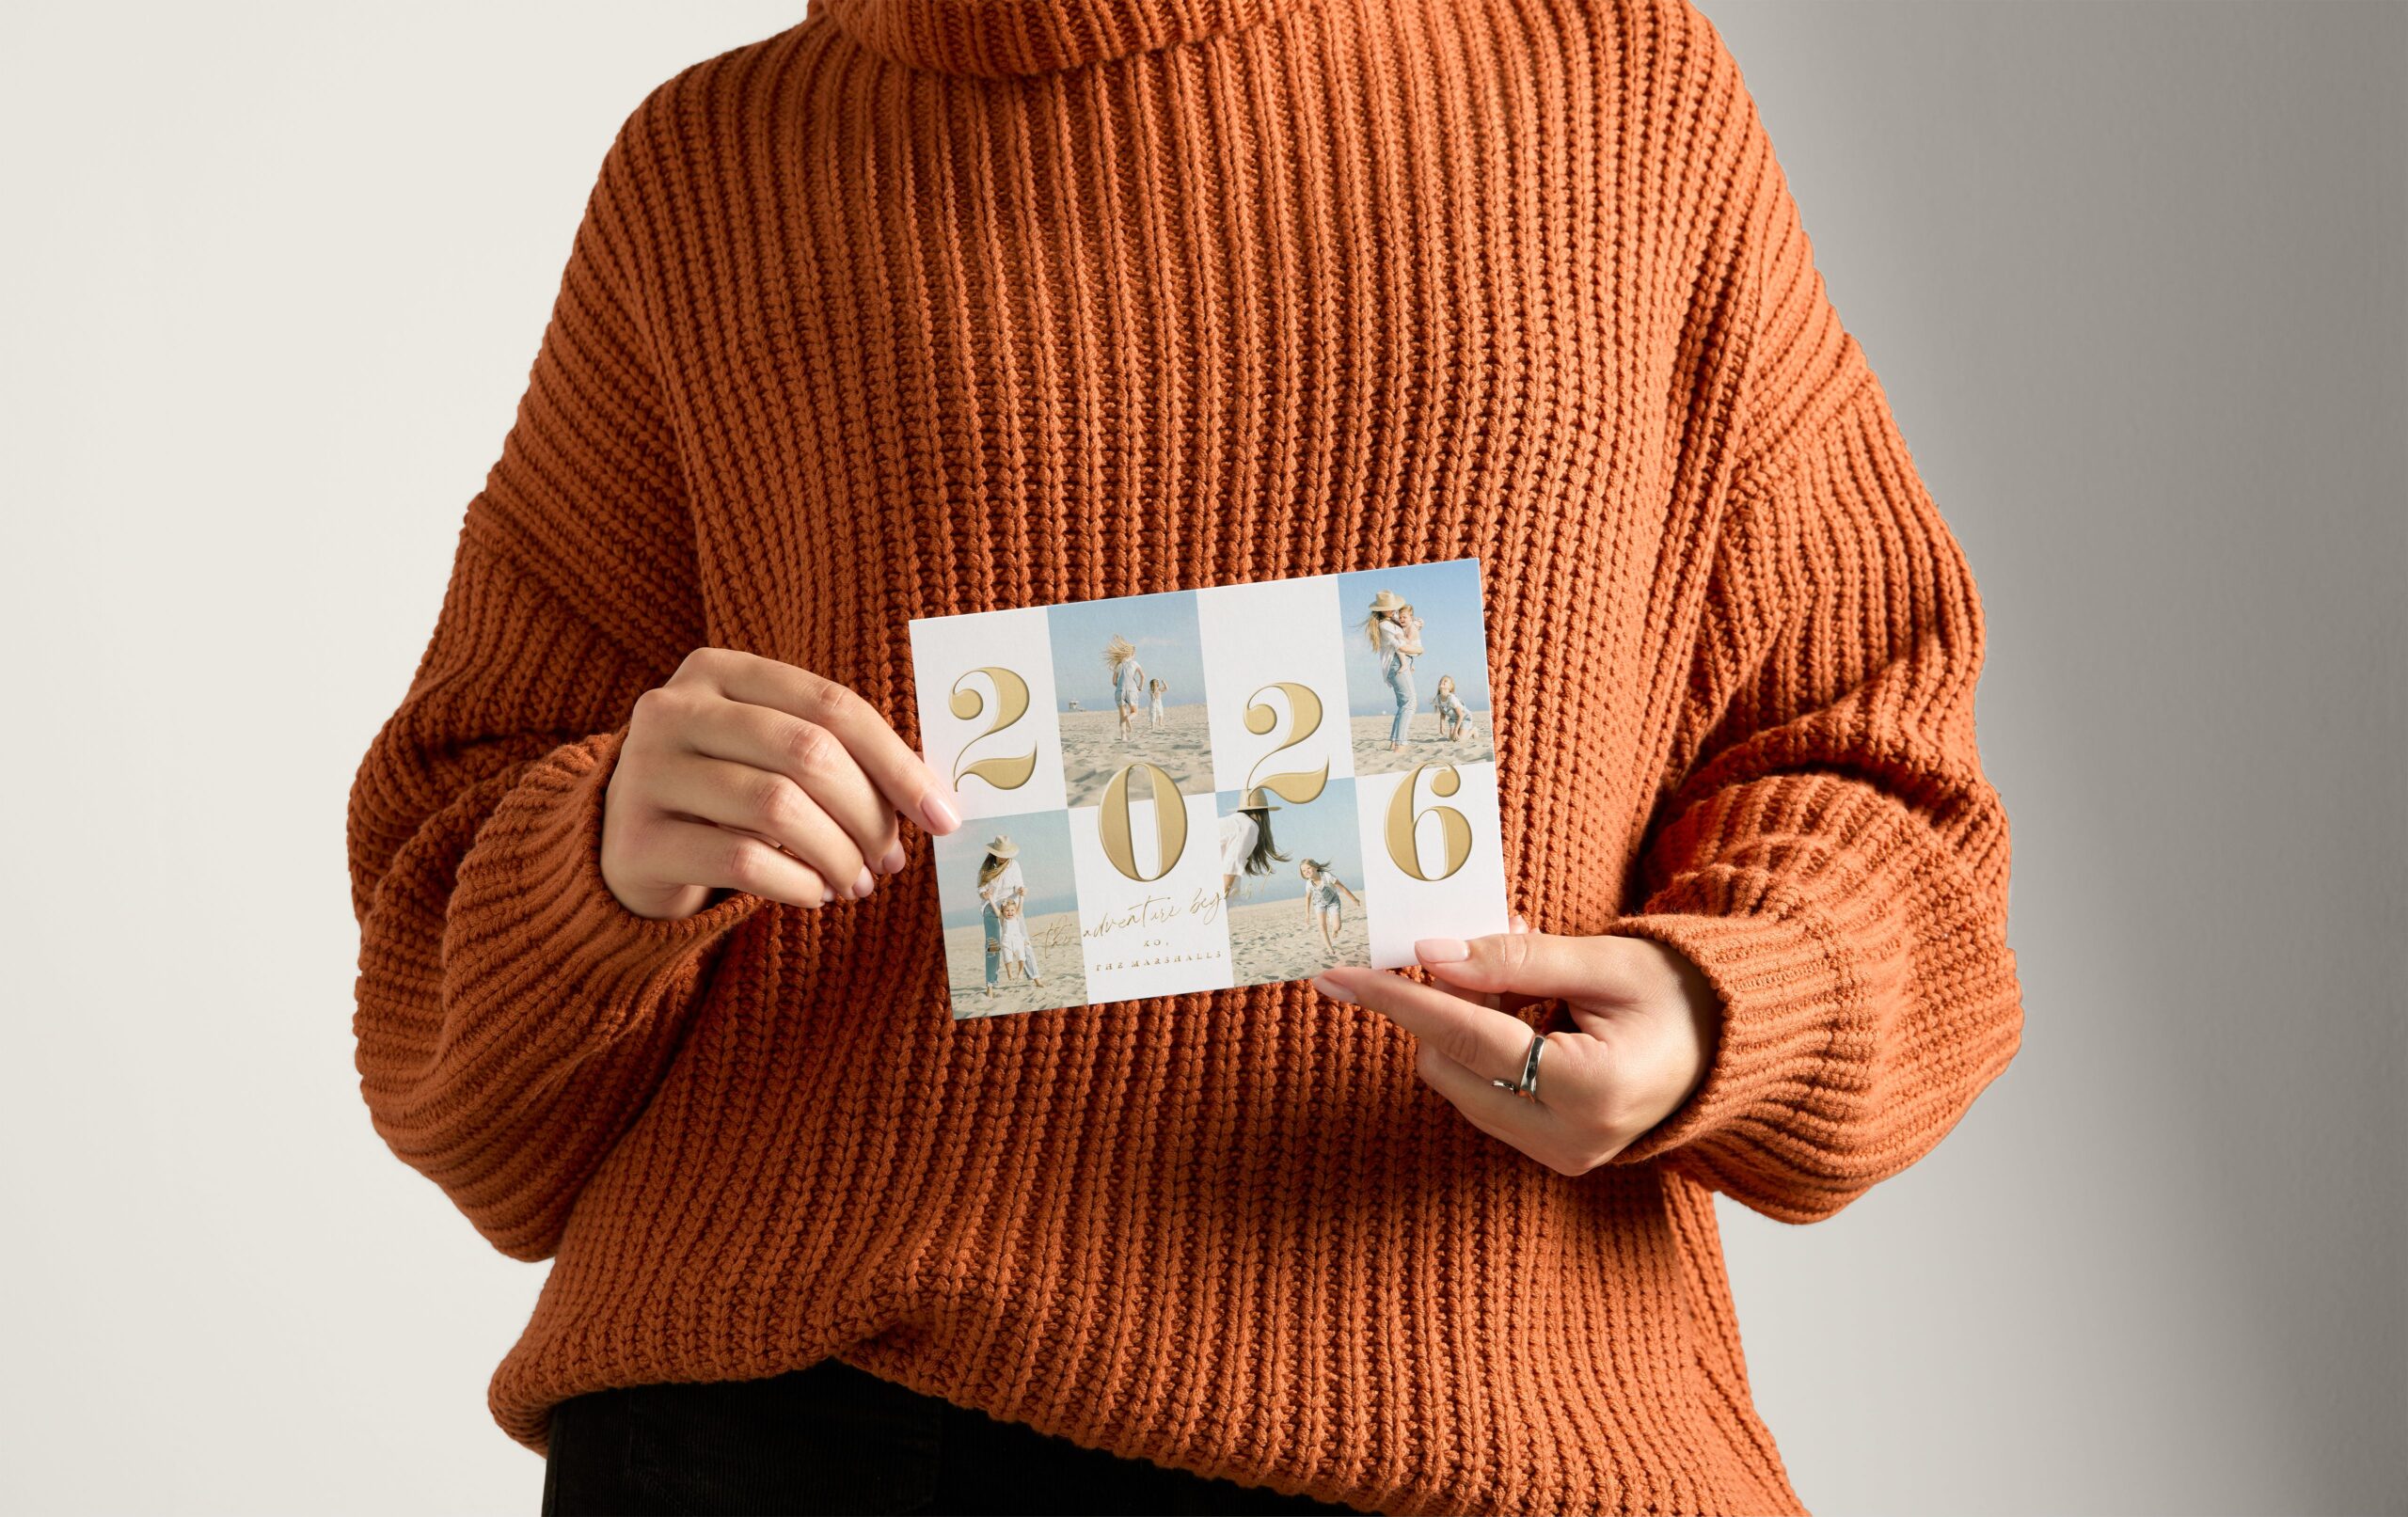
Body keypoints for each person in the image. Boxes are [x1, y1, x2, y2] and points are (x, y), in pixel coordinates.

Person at [348, 3, 2023, 1512]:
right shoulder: (713, 173)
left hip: (1497, 1407)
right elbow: (450, 979)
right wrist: (601, 858)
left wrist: (1719, 1014)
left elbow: (1885, 774)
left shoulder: (1618, 89)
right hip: (801, 1408)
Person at [974, 835, 1043, 996]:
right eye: (1001, 854)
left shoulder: (1014, 865)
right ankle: (990, 984)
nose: (1004, 857)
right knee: (993, 946)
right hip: (991, 908)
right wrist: (984, 894)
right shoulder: (986, 867)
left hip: (1011, 909)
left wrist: (1022, 891)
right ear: (995, 853)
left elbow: (1020, 885)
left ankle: (1035, 977)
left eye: (1006, 854)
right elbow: (981, 888)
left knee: (1024, 941)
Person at [1364, 588, 1424, 753]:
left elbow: (1410, 625)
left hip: (1396, 664)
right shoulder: (1385, 625)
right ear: (1382, 610)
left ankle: (1394, 742)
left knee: (1404, 704)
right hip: (1396, 664)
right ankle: (1401, 743)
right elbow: (1401, 646)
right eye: (1390, 607)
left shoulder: (1392, 621)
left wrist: (1417, 624)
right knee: (1410, 703)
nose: (1394, 610)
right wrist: (1420, 650)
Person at [1217, 788, 1287, 899]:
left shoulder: (1232, 822)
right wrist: (1219, 901)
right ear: (1264, 813)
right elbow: (1230, 868)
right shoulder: (1248, 826)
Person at [1298, 859, 1362, 957]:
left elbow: (1342, 887)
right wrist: (1307, 913)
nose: (1306, 871)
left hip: (1333, 901)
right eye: (1303, 870)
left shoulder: (1327, 876)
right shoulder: (1309, 883)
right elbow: (1308, 897)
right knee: (1322, 926)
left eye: (1308, 868)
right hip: (1319, 904)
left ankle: (1335, 930)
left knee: (1338, 926)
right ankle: (1329, 948)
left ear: (1315, 867)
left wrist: (1354, 899)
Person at [1105, 634, 1145, 744]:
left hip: (1119, 690)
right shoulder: (1135, 663)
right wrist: (1140, 686)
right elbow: (1143, 676)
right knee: (1134, 712)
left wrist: (1119, 687)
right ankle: (1129, 719)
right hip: (1132, 690)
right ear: (1132, 654)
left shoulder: (1118, 665)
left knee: (1122, 715)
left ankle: (1123, 737)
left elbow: (1114, 681)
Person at [1433, 673, 1470, 741]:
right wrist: (1442, 726)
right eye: (1441, 680)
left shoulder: (1452, 699)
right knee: (1451, 740)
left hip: (1464, 718)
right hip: (1454, 719)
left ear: (1450, 687)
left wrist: (1455, 731)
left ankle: (1473, 731)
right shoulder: (1437, 699)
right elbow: (1442, 714)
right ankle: (1459, 731)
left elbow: (1461, 715)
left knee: (1460, 740)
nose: (1442, 682)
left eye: (1445, 681)